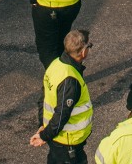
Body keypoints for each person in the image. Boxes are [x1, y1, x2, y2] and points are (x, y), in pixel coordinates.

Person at [30, 28, 94, 163]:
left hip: (57, 139)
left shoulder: (55, 65)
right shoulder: (70, 80)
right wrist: (44, 135)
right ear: (83, 52)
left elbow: (43, 98)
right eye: (90, 46)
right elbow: (61, 114)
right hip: (68, 142)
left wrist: (43, 126)